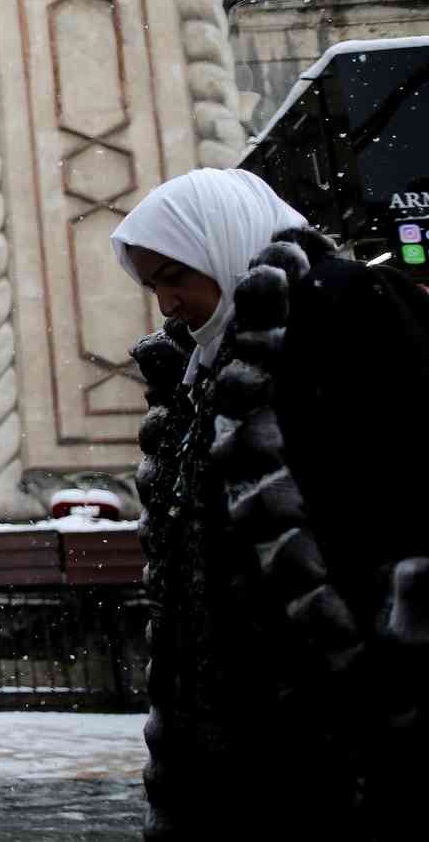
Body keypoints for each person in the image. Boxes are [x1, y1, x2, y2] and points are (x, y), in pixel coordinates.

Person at [112, 168, 429, 839]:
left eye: (176, 275)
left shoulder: (338, 309)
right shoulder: (199, 370)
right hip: (228, 714)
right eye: (153, 285)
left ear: (219, 244)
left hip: (326, 708)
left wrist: (389, 670)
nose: (167, 302)